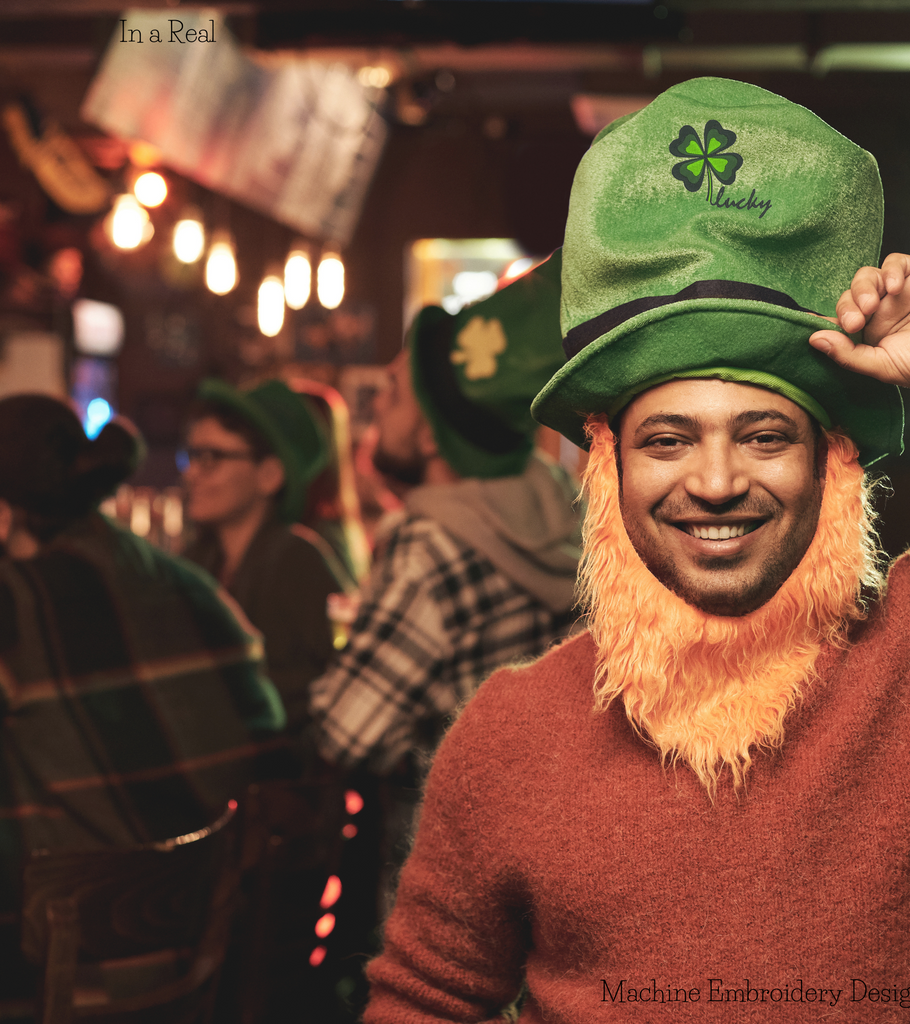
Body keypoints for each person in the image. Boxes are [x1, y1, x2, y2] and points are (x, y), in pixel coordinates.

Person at [362, 78, 910, 1022]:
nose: (714, 481)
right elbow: (421, 1003)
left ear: (835, 456)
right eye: (668, 439)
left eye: (764, 436)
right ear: (606, 464)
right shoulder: (510, 737)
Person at [0, 394, 285, 998]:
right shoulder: (193, 587)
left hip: (65, 982)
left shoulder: (18, 604)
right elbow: (268, 747)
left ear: (5, 514)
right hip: (205, 968)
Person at [310, 250, 583, 777]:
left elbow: (343, 734)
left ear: (432, 436)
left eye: (393, 390)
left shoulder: (432, 546)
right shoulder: (563, 507)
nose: (378, 405)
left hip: (447, 839)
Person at [182, 378, 348, 734]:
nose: (191, 472)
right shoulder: (195, 562)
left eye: (211, 458)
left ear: (270, 476)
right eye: (192, 456)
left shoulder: (299, 562)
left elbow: (340, 684)